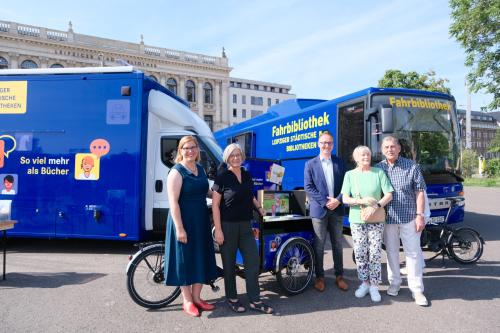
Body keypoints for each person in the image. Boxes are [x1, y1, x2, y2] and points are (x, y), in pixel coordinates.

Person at [212, 143, 274, 314]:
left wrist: (260, 208)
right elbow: (216, 205)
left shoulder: (246, 175)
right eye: (232, 155)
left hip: (246, 225)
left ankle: (255, 300)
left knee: (253, 262)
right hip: (227, 226)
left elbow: (251, 196)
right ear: (227, 158)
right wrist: (218, 229)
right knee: (230, 265)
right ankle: (232, 298)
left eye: (238, 154)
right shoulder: (222, 177)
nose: (236, 158)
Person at [164, 136, 219, 317]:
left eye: (193, 147)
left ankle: (197, 298)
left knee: (200, 258)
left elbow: (207, 192)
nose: (190, 151)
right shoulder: (176, 172)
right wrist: (179, 228)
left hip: (201, 220)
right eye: (186, 148)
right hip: (184, 221)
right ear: (180, 151)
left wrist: (223, 196)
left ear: (197, 150)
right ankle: (187, 301)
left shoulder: (200, 169)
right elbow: (173, 203)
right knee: (185, 261)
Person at [376, 136, 428, 306]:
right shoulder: (378, 169)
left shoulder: (412, 166)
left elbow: (419, 192)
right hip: (388, 218)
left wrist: (420, 215)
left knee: (412, 253)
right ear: (382, 150)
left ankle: (417, 290)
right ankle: (395, 283)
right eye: (386, 147)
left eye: (393, 146)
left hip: (409, 217)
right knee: (391, 252)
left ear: (399, 149)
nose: (390, 149)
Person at [341, 146, 393, 302]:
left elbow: (389, 194)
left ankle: (374, 286)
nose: (366, 157)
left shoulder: (378, 173)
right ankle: (364, 283)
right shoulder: (350, 175)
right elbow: (344, 199)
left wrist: (375, 206)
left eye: (368, 154)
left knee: (375, 252)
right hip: (357, 220)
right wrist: (361, 201)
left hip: (376, 219)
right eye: (363, 155)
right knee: (360, 252)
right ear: (356, 158)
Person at [304, 131, 348, 292]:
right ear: (318, 144)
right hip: (319, 210)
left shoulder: (340, 163)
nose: (326, 145)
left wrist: (338, 199)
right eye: (323, 142)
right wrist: (325, 202)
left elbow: (347, 185)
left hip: (337, 209)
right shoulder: (310, 164)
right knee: (319, 245)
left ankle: (339, 276)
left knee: (338, 244)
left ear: (333, 145)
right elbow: (309, 187)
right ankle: (320, 277)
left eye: (329, 143)